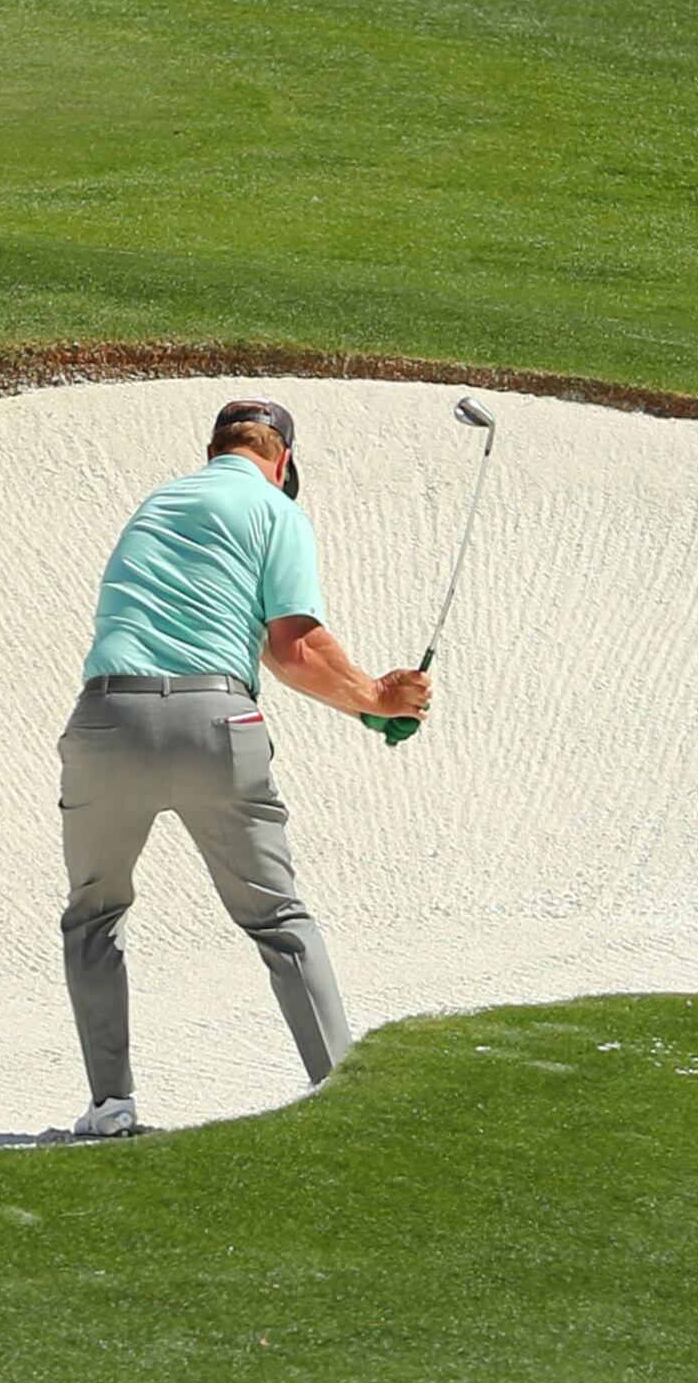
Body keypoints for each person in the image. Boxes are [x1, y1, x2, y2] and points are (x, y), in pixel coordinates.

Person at [54, 397, 429, 1144]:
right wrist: (379, 701)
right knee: (277, 917)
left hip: (106, 723)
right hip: (217, 725)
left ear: (214, 449)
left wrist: (370, 702)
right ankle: (337, 1093)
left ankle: (111, 1109)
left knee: (93, 917)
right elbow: (292, 647)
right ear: (282, 460)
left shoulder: (157, 504)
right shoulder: (273, 510)